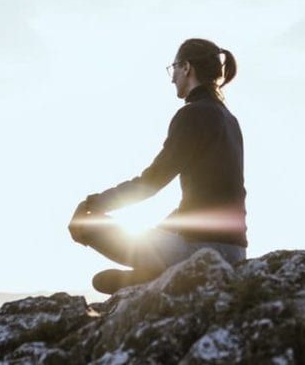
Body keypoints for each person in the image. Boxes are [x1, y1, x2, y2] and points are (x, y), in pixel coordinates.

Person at [68, 38, 247, 294]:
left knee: (86, 224)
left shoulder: (193, 114)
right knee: (157, 232)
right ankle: (152, 276)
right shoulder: (229, 119)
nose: (172, 77)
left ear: (186, 67)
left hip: (203, 253)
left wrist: (92, 204)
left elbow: (151, 182)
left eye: (174, 68)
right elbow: (215, 195)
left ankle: (154, 278)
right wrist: (165, 228)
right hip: (235, 252)